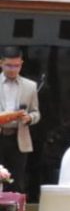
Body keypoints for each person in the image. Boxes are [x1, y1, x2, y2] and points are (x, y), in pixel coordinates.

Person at [0, 48, 41, 197]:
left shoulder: (30, 86)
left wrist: (30, 118)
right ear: (1, 63)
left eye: (16, 66)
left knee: (17, 181)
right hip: (1, 132)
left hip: (18, 138)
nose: (13, 69)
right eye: (9, 65)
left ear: (21, 64)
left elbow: (36, 112)